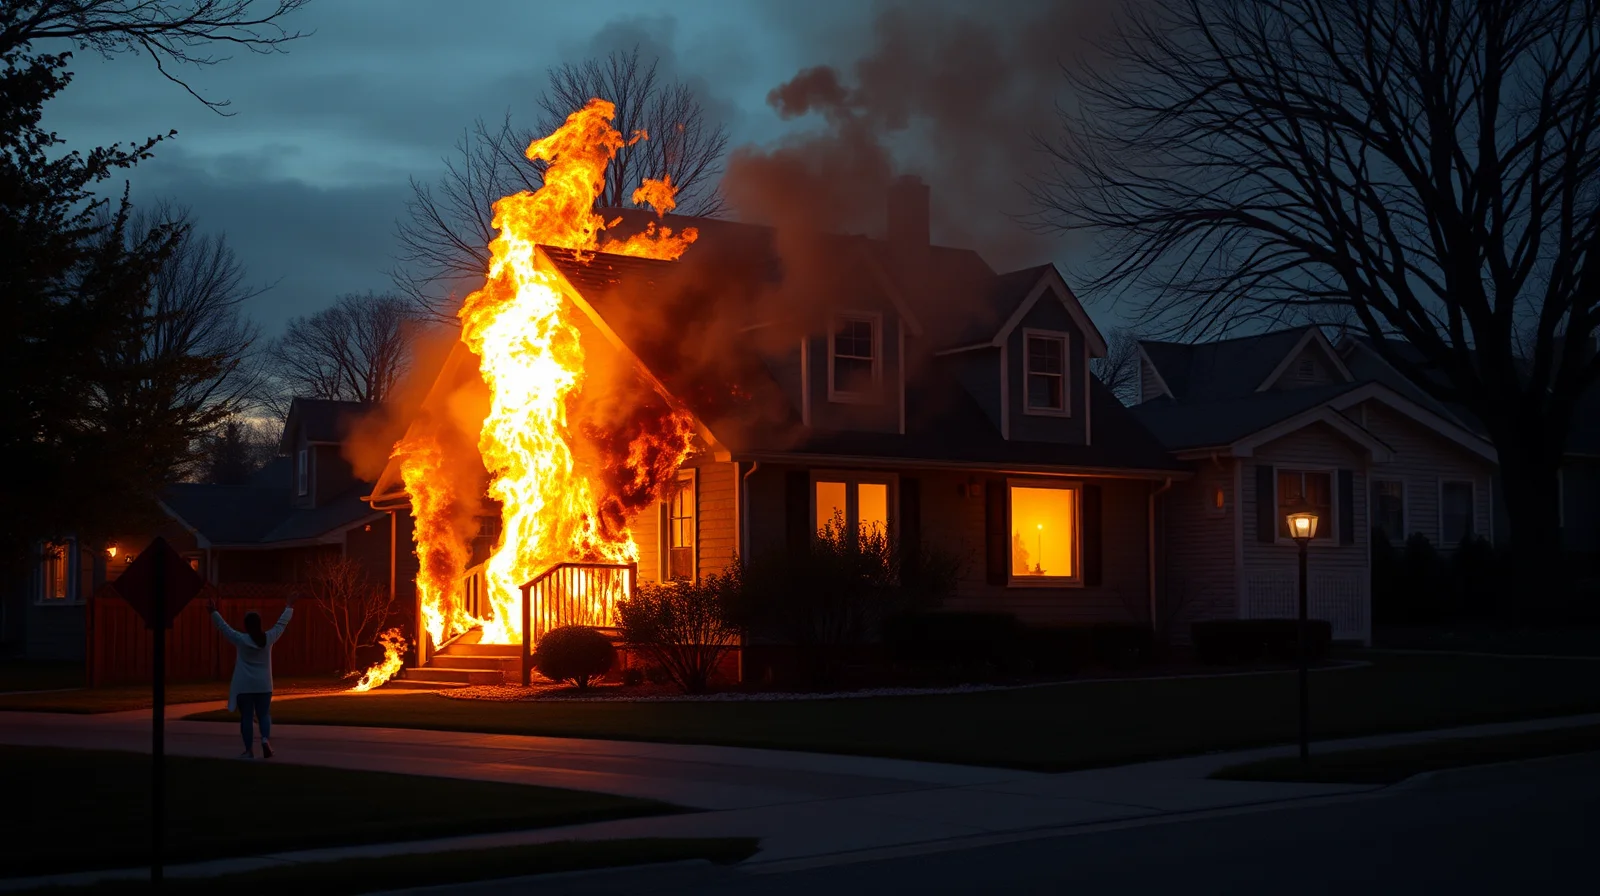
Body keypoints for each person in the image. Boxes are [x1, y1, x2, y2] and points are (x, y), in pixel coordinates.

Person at [208, 592, 296, 759]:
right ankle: (264, 739)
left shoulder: (241, 639)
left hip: (244, 685)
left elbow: (223, 627)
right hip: (263, 685)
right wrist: (289, 606)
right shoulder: (269, 638)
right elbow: (281, 624)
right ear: (259, 624)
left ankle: (248, 750)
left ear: (246, 625)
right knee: (264, 714)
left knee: (246, 718)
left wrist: (213, 612)